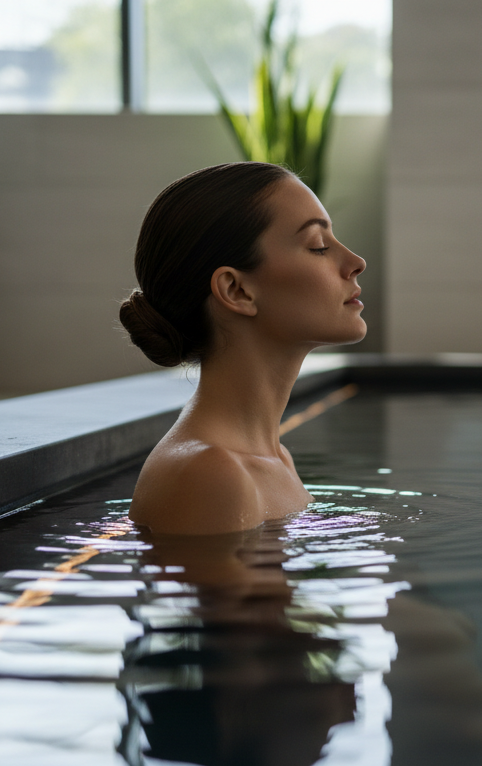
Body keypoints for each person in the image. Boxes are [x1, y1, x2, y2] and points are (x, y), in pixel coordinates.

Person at [118, 162, 366, 534]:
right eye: (318, 246)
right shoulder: (210, 474)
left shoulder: (274, 459)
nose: (355, 263)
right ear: (237, 291)